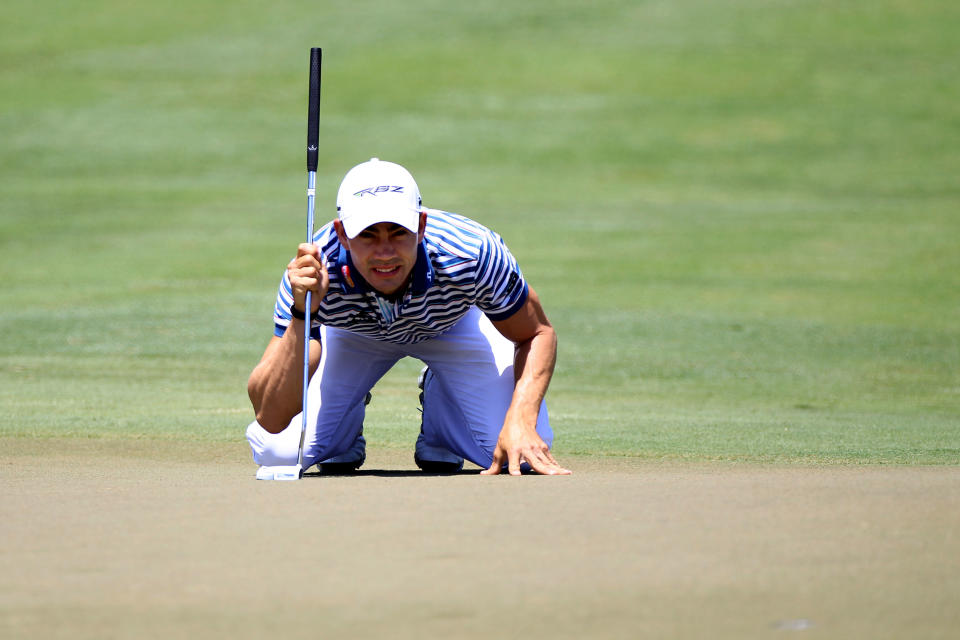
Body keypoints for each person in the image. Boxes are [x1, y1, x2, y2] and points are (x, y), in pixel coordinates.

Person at [245, 158, 570, 476]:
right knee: (277, 450)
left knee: (524, 453)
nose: (385, 252)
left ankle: (441, 413)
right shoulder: (312, 270)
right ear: (342, 233)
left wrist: (522, 419)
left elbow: (536, 333)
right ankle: (344, 425)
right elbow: (271, 417)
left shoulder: (471, 250)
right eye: (368, 234)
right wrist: (303, 313)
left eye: (398, 232)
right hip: (353, 337)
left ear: (421, 226)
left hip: (451, 326)